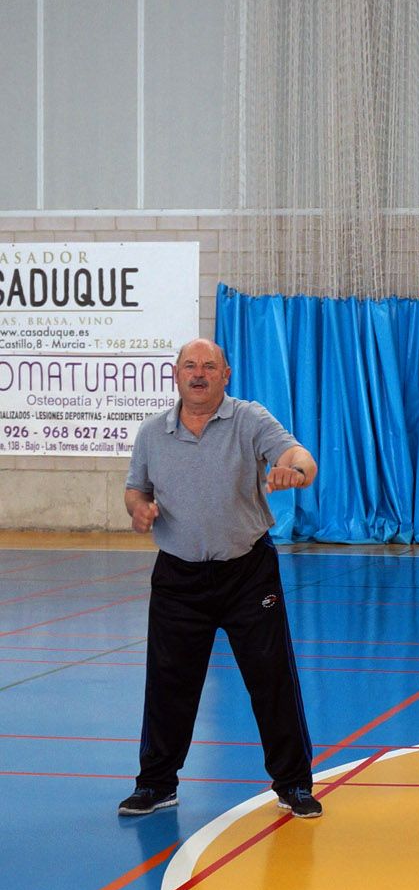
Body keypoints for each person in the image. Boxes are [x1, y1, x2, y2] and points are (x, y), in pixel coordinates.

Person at [119, 338, 322, 818]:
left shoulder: (249, 419)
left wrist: (294, 471)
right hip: (177, 578)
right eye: (190, 365)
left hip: (247, 572)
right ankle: (156, 783)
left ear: (225, 375)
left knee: (272, 681)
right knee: (168, 683)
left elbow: (298, 455)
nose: (199, 373)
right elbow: (134, 489)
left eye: (209, 366)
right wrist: (138, 510)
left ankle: (293, 784)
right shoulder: (152, 433)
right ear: (175, 374)